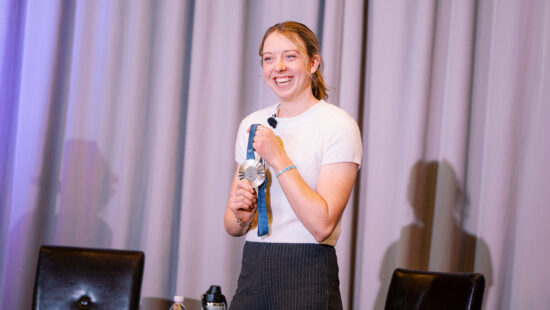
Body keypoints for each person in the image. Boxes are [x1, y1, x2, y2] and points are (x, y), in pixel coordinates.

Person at [224, 21, 362, 309]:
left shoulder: (337, 125)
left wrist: (278, 157)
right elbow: (232, 226)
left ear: (313, 63)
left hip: (308, 271)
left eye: (290, 56)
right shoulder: (253, 124)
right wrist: (240, 213)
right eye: (269, 59)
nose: (278, 67)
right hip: (254, 268)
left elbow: (322, 225)